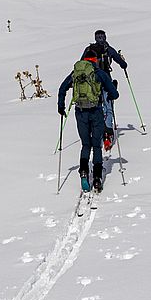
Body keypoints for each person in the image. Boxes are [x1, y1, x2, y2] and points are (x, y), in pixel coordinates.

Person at [57, 47, 119, 192]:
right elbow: (114, 95)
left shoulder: (75, 73)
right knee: (96, 145)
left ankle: (84, 171)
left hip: (80, 113)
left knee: (85, 144)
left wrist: (61, 107)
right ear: (95, 60)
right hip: (96, 112)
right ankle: (97, 178)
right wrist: (112, 90)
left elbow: (62, 88)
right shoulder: (99, 73)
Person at [92, 29, 127, 149]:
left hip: (94, 82)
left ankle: (98, 131)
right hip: (106, 80)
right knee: (108, 106)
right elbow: (121, 62)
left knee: (98, 107)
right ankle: (108, 133)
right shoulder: (109, 49)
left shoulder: (89, 50)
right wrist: (123, 63)